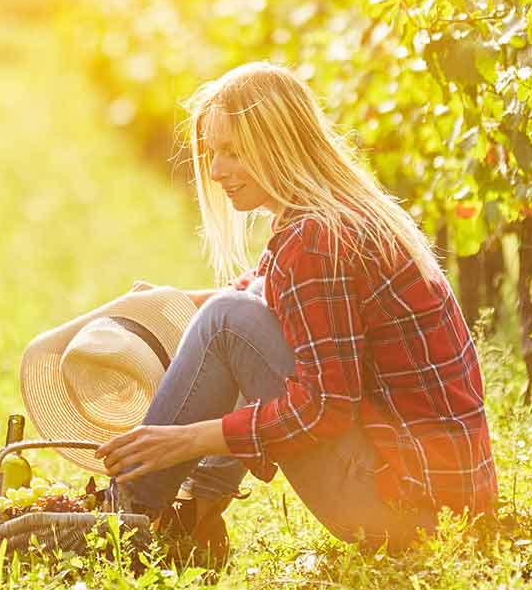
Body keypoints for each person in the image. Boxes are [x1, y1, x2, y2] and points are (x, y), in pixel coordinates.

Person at [92, 61, 497, 563]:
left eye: (233, 152)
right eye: (213, 152)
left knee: (227, 322)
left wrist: (185, 440)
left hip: (409, 510)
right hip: (445, 499)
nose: (216, 171)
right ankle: (188, 515)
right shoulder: (331, 216)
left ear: (278, 147)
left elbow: (325, 405)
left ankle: (117, 524)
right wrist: (173, 300)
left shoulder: (315, 240)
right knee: (229, 313)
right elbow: (266, 291)